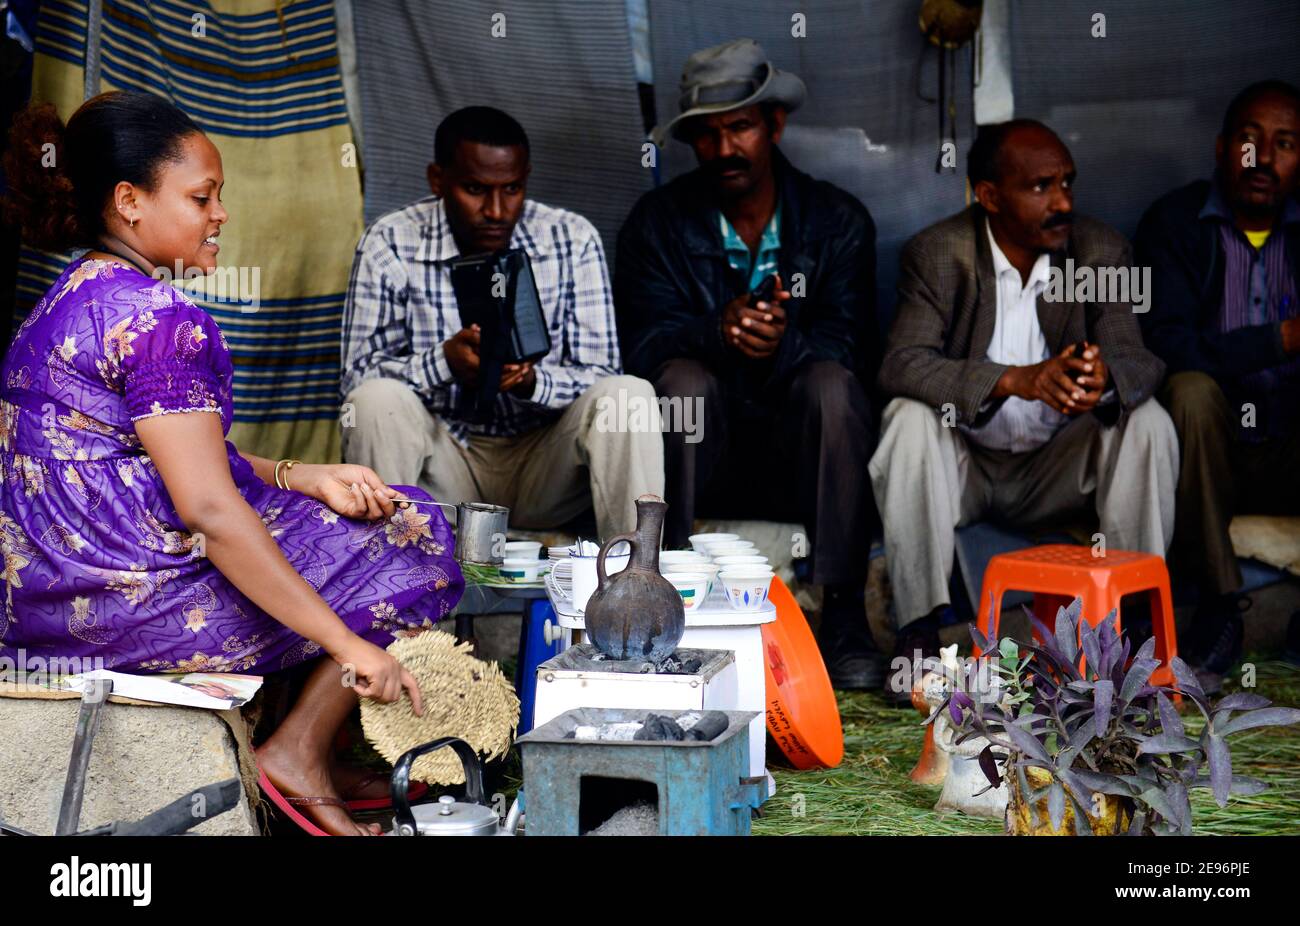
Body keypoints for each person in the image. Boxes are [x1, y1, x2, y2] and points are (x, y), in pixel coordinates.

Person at [0, 91, 461, 836]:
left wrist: (297, 475)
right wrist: (350, 650)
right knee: (409, 530)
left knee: (316, 517)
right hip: (131, 610)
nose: (220, 215)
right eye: (202, 196)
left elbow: (147, 452)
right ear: (130, 201)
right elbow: (209, 515)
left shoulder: (66, 298)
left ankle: (307, 747)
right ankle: (299, 753)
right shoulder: (160, 320)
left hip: (43, 607)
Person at [870, 119, 1178, 704]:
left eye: (1067, 182)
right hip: (967, 465)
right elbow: (901, 364)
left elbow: (1139, 361)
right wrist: (1017, 381)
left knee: (1149, 420)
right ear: (988, 196)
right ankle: (920, 637)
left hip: (1060, 464)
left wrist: (1101, 379)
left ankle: (1134, 637)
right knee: (908, 421)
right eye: (1041, 187)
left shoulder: (1099, 250)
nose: (1062, 201)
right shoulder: (939, 254)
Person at [615, 39, 880, 689]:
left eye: (739, 127)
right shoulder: (658, 223)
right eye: (707, 135)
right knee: (680, 380)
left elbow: (855, 352)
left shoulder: (836, 221)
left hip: (805, 460)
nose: (725, 148)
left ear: (775, 125)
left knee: (830, 385)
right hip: (701, 458)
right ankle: (664, 585)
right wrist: (718, 331)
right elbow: (636, 350)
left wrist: (780, 342)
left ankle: (842, 611)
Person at [340, 106, 662, 542]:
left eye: (512, 189)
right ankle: (387, 584)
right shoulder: (390, 241)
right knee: (375, 400)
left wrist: (532, 382)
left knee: (630, 395)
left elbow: (600, 374)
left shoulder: (571, 237)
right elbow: (355, 386)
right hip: (442, 470)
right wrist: (443, 362)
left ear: (526, 178)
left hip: (544, 464)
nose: (495, 209)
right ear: (438, 180)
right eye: (475, 189)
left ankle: (633, 583)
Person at [1136, 80, 1300, 692]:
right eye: (1249, 140)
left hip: (1288, 441)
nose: (1263, 158)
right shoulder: (1175, 223)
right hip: (1210, 447)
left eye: (1284, 144)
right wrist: (1280, 338)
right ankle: (1219, 602)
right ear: (1221, 147)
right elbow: (1167, 345)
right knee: (1191, 389)